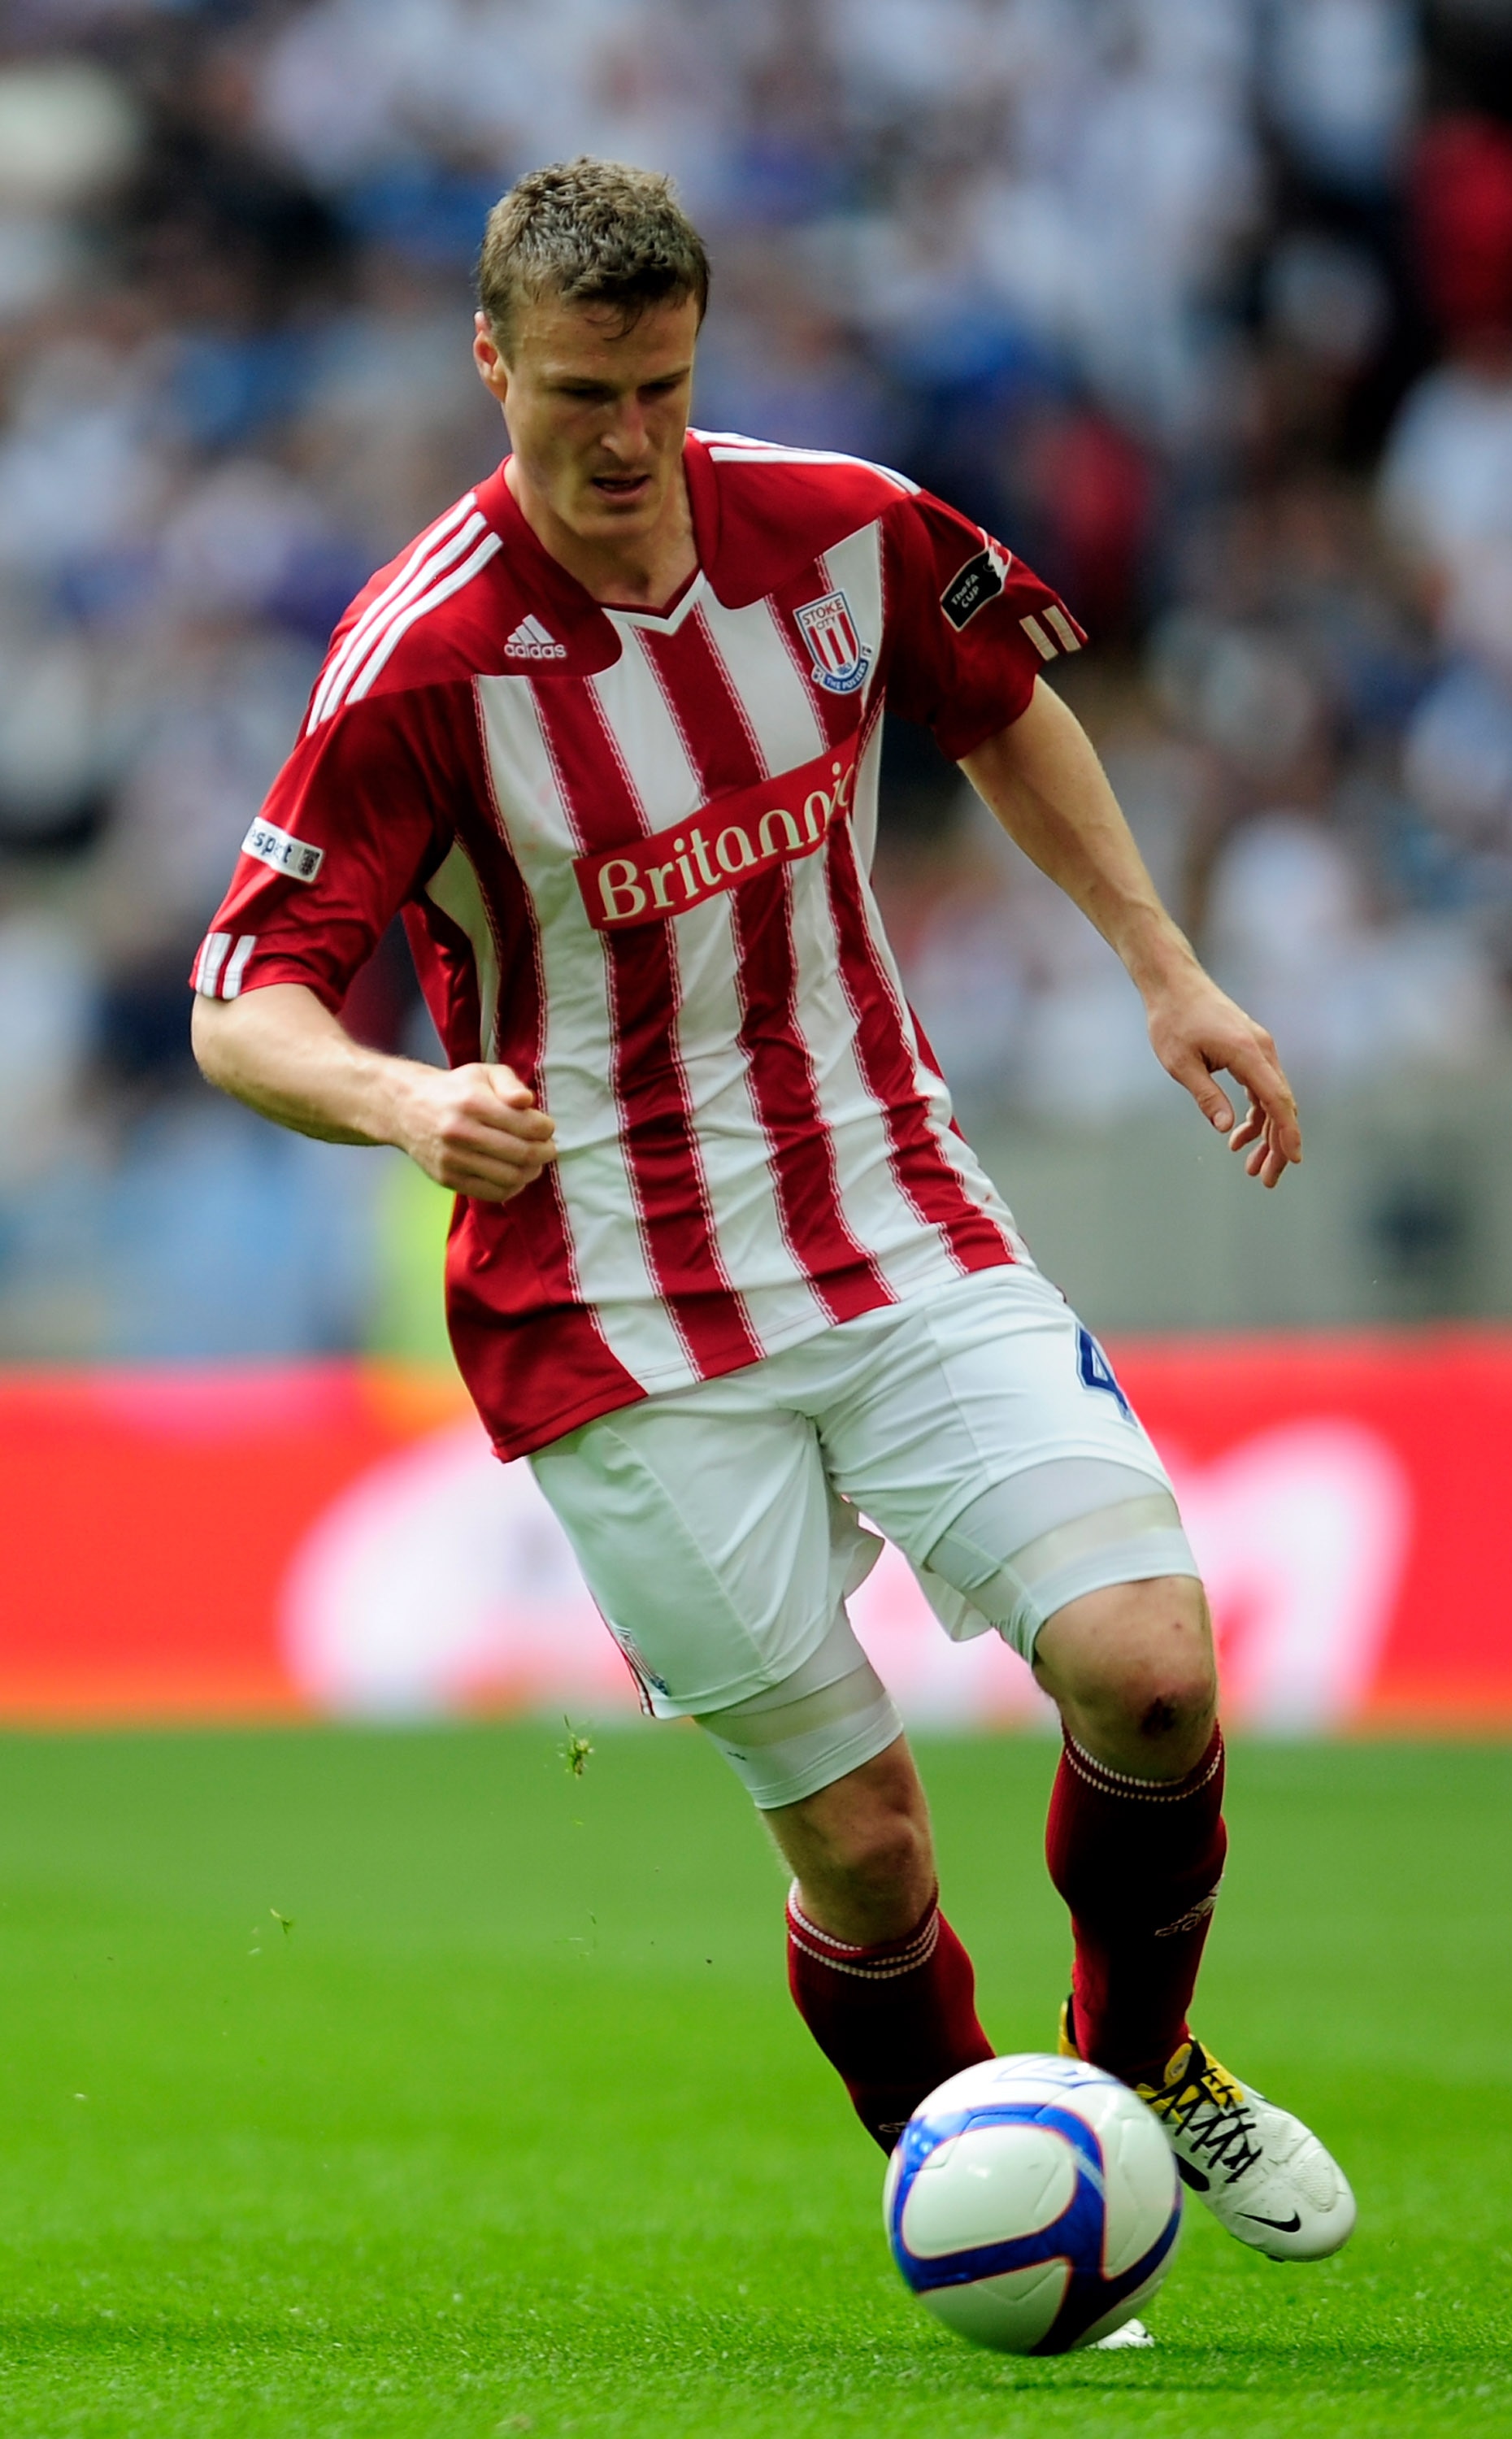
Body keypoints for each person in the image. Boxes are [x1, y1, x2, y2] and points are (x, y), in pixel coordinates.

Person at [191, 159, 1354, 2266]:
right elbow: (238, 1000)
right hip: (609, 1319)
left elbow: (1002, 710)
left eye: (655, 386)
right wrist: (396, 1093)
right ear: (490, 364)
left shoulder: (834, 529)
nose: (621, 441)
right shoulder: (416, 664)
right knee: (866, 1848)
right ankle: (1002, 2219)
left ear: (696, 354)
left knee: (1152, 1676)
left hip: (888, 1208)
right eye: (572, 398)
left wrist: (1162, 964)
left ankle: (1149, 2067)